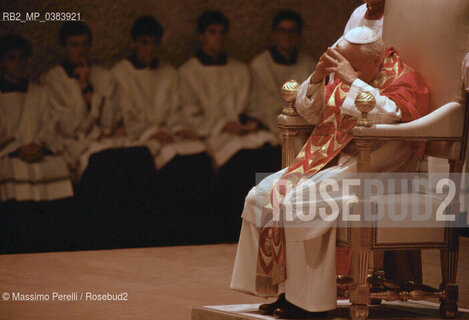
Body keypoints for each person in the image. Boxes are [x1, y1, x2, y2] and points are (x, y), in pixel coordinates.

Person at [230, 27, 430, 318]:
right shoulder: (358, 70)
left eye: (355, 67)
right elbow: (311, 113)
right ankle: (280, 290)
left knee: (300, 204)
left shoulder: (405, 79)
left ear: (377, 60)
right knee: (260, 194)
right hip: (338, 161)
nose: (346, 74)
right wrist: (317, 77)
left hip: (378, 169)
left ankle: (308, 301)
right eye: (346, 68)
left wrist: (352, 79)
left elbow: (389, 112)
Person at [112, 15, 216, 244]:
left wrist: (180, 128)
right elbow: (123, 114)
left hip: (170, 134)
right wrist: (150, 132)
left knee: (199, 155)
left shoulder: (169, 72)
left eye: (154, 43)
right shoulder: (121, 73)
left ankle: (196, 233)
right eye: (144, 42)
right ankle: (163, 232)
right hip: (140, 136)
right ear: (133, 43)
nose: (149, 49)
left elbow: (179, 109)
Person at [178, 11, 277, 241]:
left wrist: (251, 121)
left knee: (271, 154)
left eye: (222, 32)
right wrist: (223, 124)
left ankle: (269, 231)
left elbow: (252, 104)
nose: (218, 38)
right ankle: (239, 230)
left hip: (242, 134)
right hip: (216, 136)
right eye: (212, 32)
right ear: (201, 36)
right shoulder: (188, 72)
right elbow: (189, 114)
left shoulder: (240, 69)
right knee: (243, 163)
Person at [41, 21, 120, 177]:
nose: (81, 51)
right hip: (75, 146)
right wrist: (85, 91)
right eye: (74, 45)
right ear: (63, 48)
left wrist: (88, 90)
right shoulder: (52, 80)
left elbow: (109, 123)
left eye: (85, 45)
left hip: (105, 143)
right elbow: (68, 127)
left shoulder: (103, 76)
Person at [0, 34, 73, 202]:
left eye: (22, 58)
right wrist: (18, 149)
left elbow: (50, 123)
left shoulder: (39, 92)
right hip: (9, 154)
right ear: (2, 62)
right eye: (12, 58)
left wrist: (40, 144)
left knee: (59, 169)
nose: (18, 63)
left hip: (38, 151)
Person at [248, 10, 314, 145]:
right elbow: (264, 105)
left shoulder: (308, 64)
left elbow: (313, 102)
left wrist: (303, 125)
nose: (287, 36)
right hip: (270, 127)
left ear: (299, 34)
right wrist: (292, 125)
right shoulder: (260, 64)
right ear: (274, 34)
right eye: (282, 31)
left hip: (303, 127)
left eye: (292, 31)